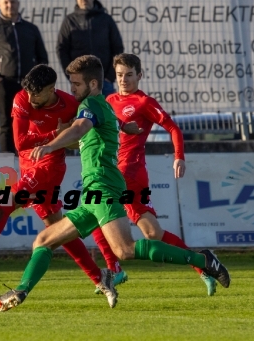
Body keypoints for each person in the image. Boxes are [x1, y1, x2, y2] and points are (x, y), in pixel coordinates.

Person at [0, 55, 231, 312]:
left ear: (93, 84)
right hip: (93, 193)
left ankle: (203, 259)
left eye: (76, 84)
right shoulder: (101, 104)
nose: (71, 89)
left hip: (104, 186)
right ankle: (22, 290)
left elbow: (80, 128)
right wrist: (122, 127)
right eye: (70, 84)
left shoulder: (92, 105)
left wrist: (50, 145)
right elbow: (99, 127)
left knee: (125, 250)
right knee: (43, 241)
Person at [0, 64, 116, 302]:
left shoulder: (70, 105)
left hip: (48, 169)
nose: (30, 98)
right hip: (28, 165)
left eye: (37, 93)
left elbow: (83, 135)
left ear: (51, 89)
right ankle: (101, 278)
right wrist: (53, 134)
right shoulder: (22, 98)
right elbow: (21, 142)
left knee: (4, 204)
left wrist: (119, 128)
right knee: (58, 232)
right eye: (28, 92)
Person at [90, 53, 217, 296]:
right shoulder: (109, 100)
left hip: (128, 171)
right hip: (120, 172)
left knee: (94, 212)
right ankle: (202, 266)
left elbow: (173, 127)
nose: (124, 80)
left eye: (129, 75)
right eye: (119, 75)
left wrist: (179, 156)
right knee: (153, 233)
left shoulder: (143, 102)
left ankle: (115, 269)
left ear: (140, 75)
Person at [0, 0, 49, 153]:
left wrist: (36, 80)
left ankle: (29, 156)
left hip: (29, 87)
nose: (9, 5)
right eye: (5, 2)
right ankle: (8, 160)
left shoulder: (31, 29)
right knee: (6, 124)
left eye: (12, 2)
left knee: (32, 122)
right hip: (4, 83)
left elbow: (42, 57)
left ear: (18, 4)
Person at [56, 0, 123, 97]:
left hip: (105, 82)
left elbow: (117, 48)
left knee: (106, 112)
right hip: (80, 83)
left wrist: (110, 76)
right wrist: (72, 76)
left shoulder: (106, 20)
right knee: (84, 111)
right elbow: (61, 49)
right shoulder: (69, 21)